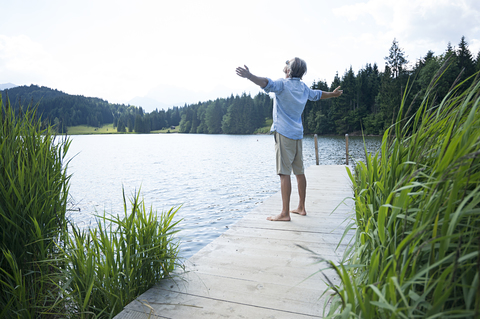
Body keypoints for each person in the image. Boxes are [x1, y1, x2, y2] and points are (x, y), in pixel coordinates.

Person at [235, 57, 343, 221]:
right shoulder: (303, 88)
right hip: (298, 134)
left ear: (289, 70)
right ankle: (301, 207)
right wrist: (333, 95)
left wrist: (249, 76)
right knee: (299, 172)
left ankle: (285, 213)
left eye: (288, 62)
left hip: (284, 134)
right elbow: (318, 95)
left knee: (284, 174)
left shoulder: (282, 85)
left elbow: (265, 82)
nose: (285, 64)